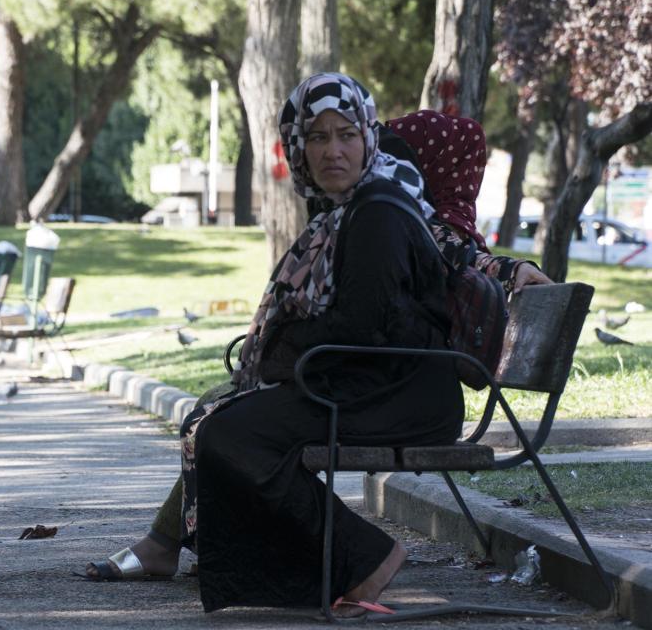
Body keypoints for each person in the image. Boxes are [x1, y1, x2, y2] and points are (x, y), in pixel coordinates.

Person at [84, 73, 550, 616]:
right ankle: (319, 561)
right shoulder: (351, 209)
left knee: (230, 434)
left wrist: (286, 345)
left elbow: (361, 326)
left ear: (369, 138)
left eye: (347, 134)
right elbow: (362, 325)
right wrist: (288, 352)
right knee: (222, 424)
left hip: (400, 397)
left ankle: (364, 560)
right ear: (298, 146)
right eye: (318, 137)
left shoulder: (377, 211)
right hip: (378, 385)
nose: (334, 151)